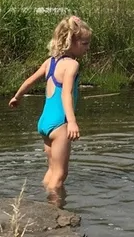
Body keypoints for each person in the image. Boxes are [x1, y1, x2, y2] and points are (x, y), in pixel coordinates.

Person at [9, 16, 92, 194]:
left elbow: (30, 81)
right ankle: (54, 207)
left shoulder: (50, 62)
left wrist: (17, 97)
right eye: (85, 43)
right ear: (71, 42)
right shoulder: (72, 65)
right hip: (59, 124)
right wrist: (72, 122)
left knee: (52, 170)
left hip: (45, 123)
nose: (88, 47)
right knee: (60, 174)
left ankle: (43, 199)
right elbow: (66, 94)